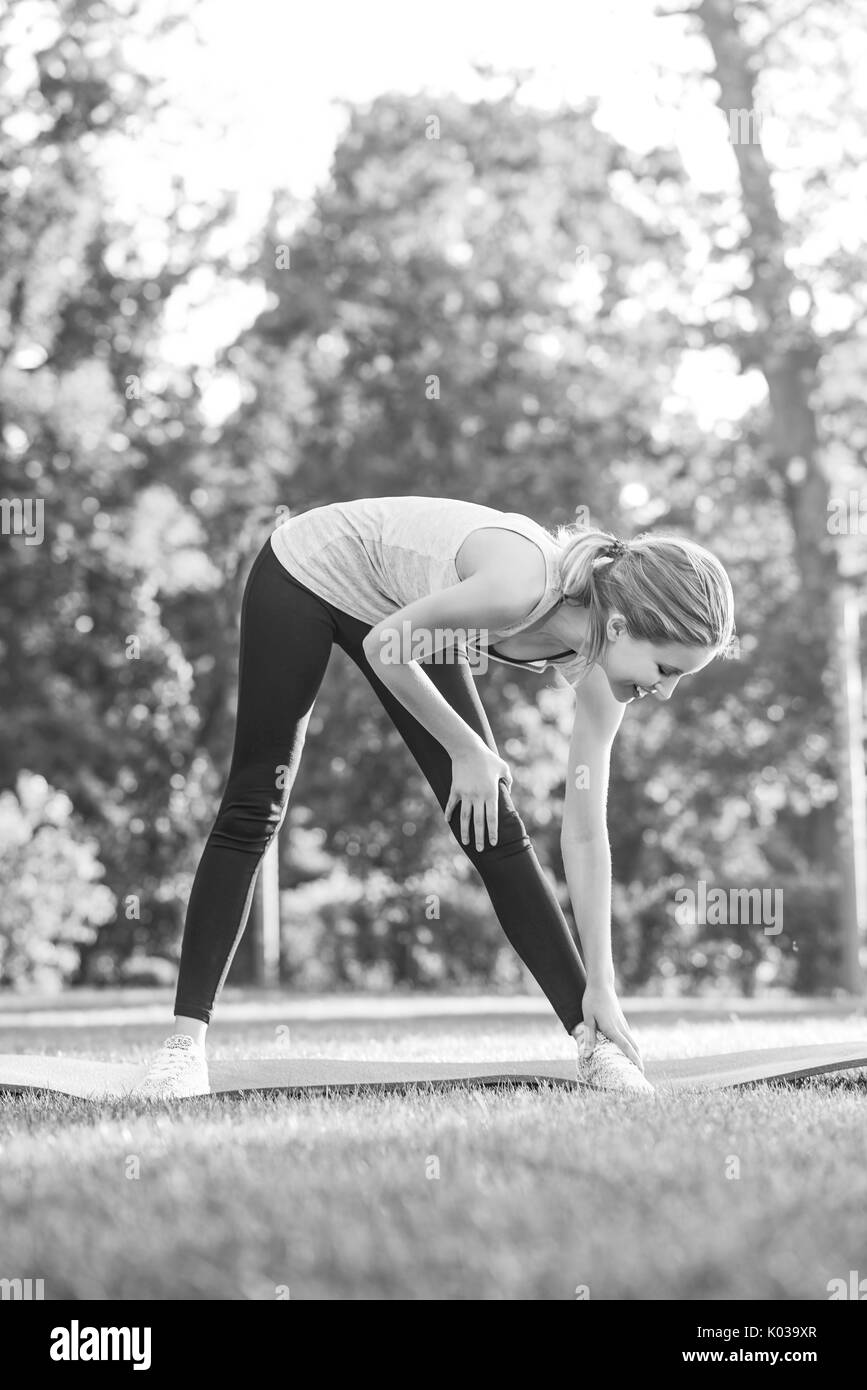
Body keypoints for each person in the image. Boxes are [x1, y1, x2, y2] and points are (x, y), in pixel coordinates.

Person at [133, 495, 734, 1099]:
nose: (665, 692)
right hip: (309, 572)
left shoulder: (607, 677)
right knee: (256, 801)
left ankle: (593, 1044)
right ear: (624, 624)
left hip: (403, 609)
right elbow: (384, 648)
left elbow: (584, 834)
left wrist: (601, 983)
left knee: (492, 821)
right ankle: (184, 1047)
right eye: (667, 669)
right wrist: (465, 749)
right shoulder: (520, 585)